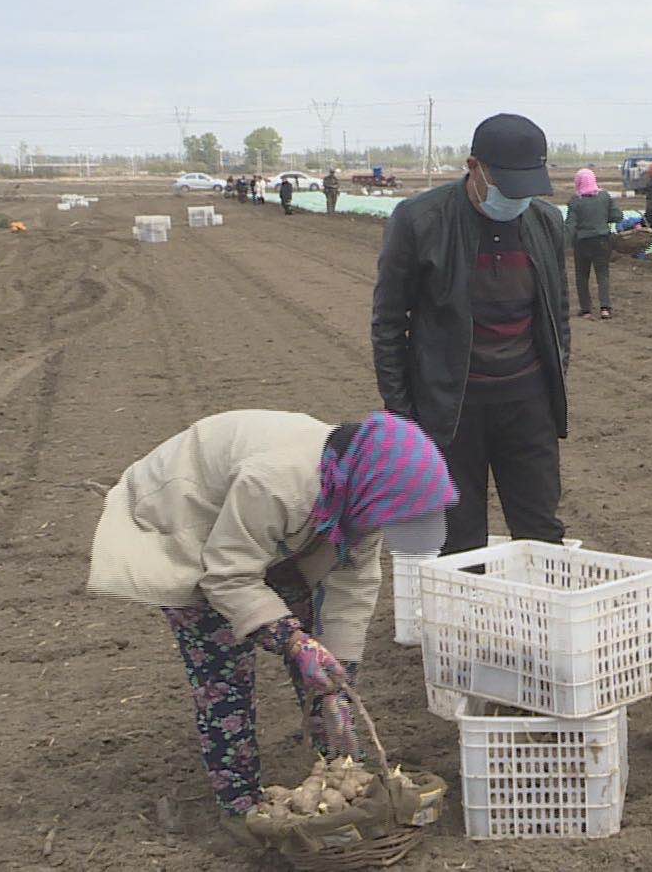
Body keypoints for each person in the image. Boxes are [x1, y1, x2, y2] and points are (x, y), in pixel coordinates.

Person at [85, 409, 456, 841]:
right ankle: (239, 805)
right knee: (223, 668)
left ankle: (340, 768)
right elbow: (226, 576)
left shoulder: (362, 496)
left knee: (323, 666)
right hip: (185, 523)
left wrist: (339, 676)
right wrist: (293, 641)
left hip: (267, 536)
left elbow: (352, 587)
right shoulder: (277, 482)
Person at [371, 112, 571, 553]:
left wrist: (555, 379)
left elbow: (557, 312)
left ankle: (537, 617)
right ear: (473, 167)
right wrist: (405, 416)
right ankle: (466, 620)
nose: (516, 198)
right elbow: (388, 324)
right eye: (506, 186)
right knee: (459, 539)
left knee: (541, 530)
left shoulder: (546, 221)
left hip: (527, 404)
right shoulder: (420, 221)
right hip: (451, 409)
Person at [565, 167, 622, 319]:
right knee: (602, 274)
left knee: (582, 276)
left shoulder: (575, 201)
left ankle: (586, 310)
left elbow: (571, 225)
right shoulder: (605, 196)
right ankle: (605, 308)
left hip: (582, 243)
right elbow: (617, 216)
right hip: (603, 241)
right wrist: (602, 220)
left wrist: (564, 244)